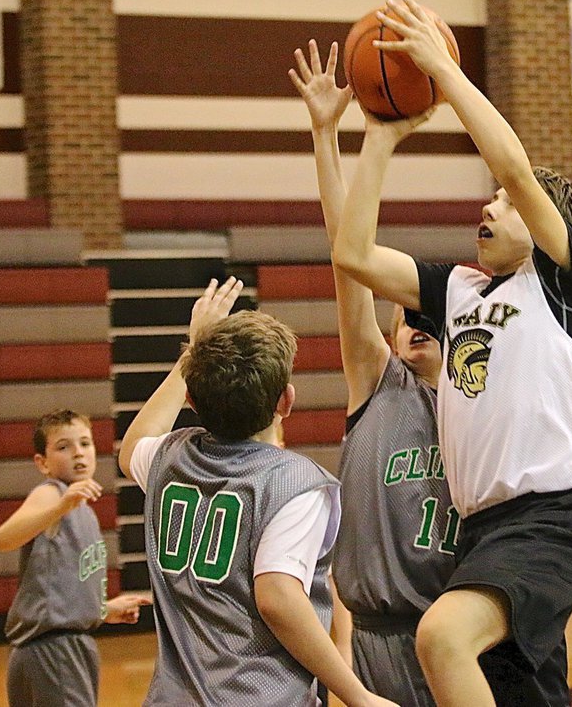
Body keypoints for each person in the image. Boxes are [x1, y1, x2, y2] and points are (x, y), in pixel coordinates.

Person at [331, 0, 572, 707]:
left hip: (553, 518)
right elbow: (353, 252)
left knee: (441, 637)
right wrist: (382, 139)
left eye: (504, 204)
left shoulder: (557, 279)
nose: (488, 206)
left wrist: (444, 73)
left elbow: (515, 166)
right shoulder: (456, 290)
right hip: (481, 529)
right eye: (487, 201)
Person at [117, 277, 397, 707]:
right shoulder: (296, 484)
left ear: (191, 398)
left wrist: (192, 351)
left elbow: (133, 444)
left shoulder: (169, 458)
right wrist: (358, 695)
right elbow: (279, 599)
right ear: (286, 401)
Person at [290, 40, 457, 706]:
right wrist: (327, 137)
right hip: (371, 641)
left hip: (451, 641)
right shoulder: (377, 381)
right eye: (402, 313)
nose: (412, 322)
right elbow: (347, 263)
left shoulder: (479, 400)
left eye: (428, 314)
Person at [0, 408, 151, 707]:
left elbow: (59, 590)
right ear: (42, 463)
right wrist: (60, 506)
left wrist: (102, 609)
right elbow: (3, 539)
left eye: (85, 443)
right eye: (64, 447)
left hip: (45, 650)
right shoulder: (53, 494)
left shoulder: (82, 511)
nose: (78, 453)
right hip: (55, 650)